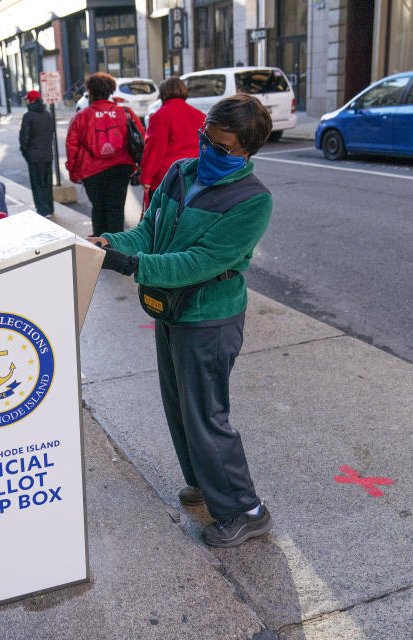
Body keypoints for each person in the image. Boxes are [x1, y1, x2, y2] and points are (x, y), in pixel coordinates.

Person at [88, 94, 275, 548]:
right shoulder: (180, 173)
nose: (207, 151)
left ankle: (244, 509)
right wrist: (110, 240)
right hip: (170, 310)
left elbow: (199, 261)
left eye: (221, 147)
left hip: (210, 317)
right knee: (179, 408)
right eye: (204, 139)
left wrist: (130, 265)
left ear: (246, 151)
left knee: (206, 415)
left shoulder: (252, 201)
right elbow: (149, 232)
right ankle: (206, 485)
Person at [66, 72, 145, 235]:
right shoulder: (125, 113)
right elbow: (141, 138)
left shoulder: (81, 117)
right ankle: (115, 246)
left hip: (91, 170)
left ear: (90, 92)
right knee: (116, 208)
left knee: (98, 207)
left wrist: (73, 172)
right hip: (120, 167)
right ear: (111, 91)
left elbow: (72, 146)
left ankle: (100, 245)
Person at [139, 77, 207, 209]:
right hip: (194, 173)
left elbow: (154, 149)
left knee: (161, 219)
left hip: (167, 177)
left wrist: (146, 177)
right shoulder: (199, 115)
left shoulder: (161, 115)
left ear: (163, 93)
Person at [19, 89, 55, 216]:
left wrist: (26, 153)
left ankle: (42, 209)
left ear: (30, 100)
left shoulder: (28, 116)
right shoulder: (48, 114)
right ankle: (50, 208)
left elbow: (24, 138)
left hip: (34, 155)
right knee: (47, 184)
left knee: (37, 184)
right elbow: (51, 133)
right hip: (47, 154)